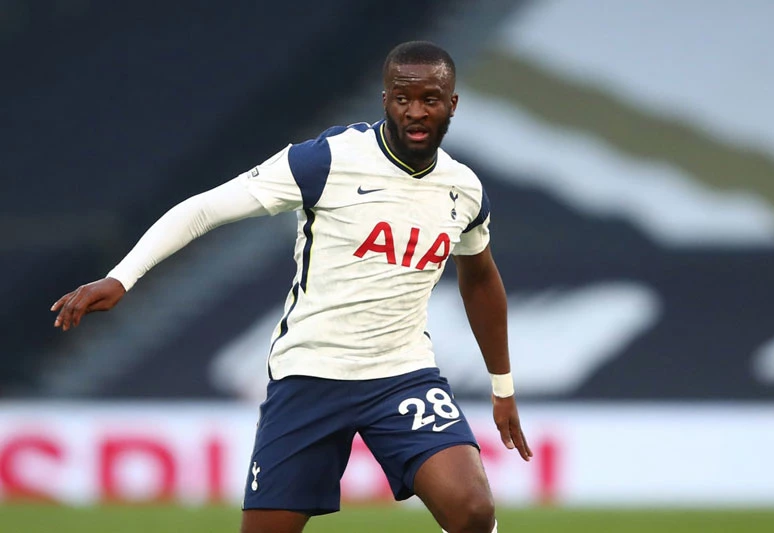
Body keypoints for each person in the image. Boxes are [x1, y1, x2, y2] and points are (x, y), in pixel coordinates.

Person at [51, 41, 530, 533]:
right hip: (310, 375)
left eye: (430, 99)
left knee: (473, 511)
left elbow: (480, 279)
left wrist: (502, 387)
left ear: (452, 103)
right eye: (401, 98)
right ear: (384, 99)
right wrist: (122, 277)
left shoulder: (464, 190)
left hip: (401, 375)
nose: (415, 111)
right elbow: (205, 209)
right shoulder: (325, 160)